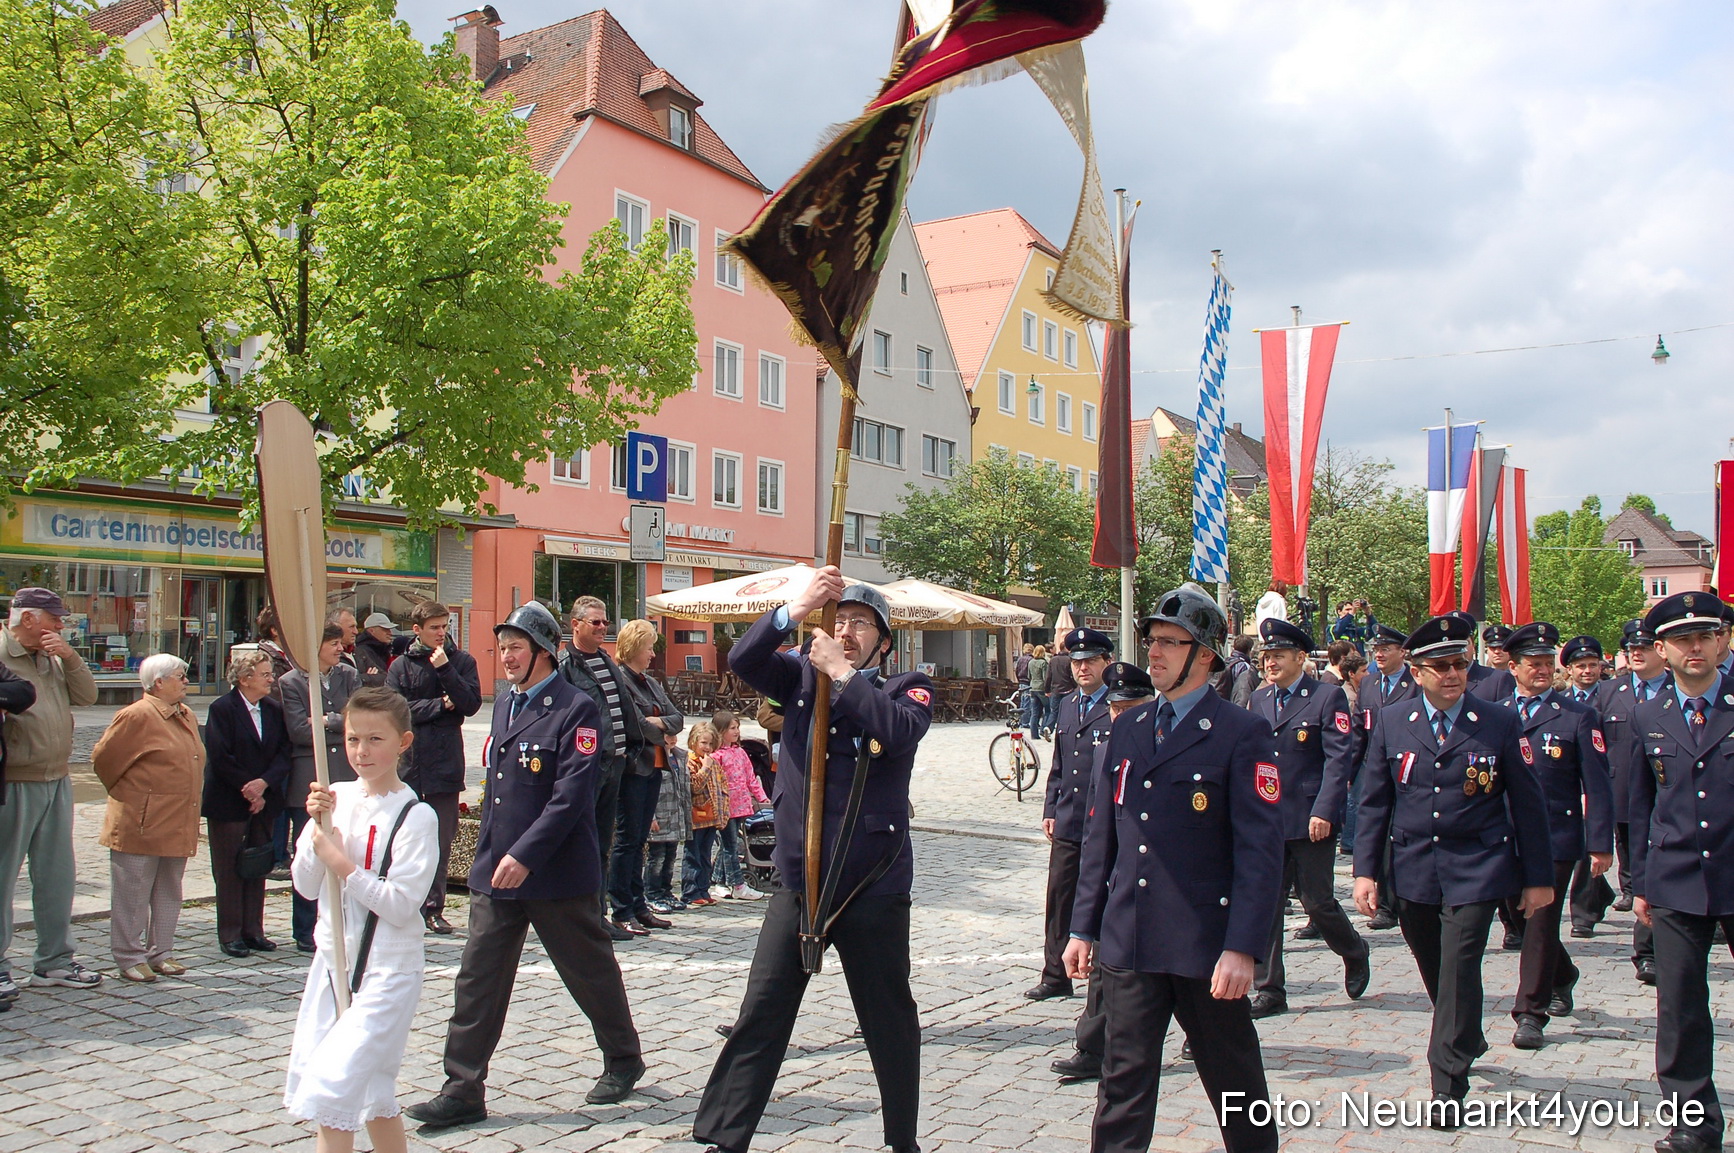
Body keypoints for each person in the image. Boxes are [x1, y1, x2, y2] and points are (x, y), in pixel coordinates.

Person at [693, 569, 932, 1153]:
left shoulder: (906, 687)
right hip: (801, 874)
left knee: (887, 1019)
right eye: (840, 621)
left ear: (884, 641)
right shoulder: (799, 676)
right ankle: (724, 1137)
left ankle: (903, 1140)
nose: (847, 631)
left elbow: (897, 733)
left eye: (861, 625)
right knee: (763, 1009)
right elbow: (745, 658)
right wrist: (797, 608)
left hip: (869, 878)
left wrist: (842, 673)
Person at [1064, 583, 1284, 1153]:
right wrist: (1083, 925)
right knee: (1122, 1083)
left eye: (1169, 641)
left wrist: (1243, 948)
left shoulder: (1241, 732)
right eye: (1151, 640)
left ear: (1205, 655)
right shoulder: (1130, 727)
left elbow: (1260, 853)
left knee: (1233, 1079)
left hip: (1204, 944)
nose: (1153, 653)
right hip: (1131, 938)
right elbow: (1103, 837)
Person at [406, 602, 643, 1129]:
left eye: (517, 647)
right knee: (478, 978)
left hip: (555, 872)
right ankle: (462, 1086)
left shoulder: (576, 709)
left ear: (544, 651)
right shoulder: (506, 705)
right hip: (498, 871)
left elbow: (570, 796)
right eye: (503, 647)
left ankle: (623, 1056)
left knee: (588, 970)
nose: (507, 657)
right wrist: (491, 856)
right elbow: (499, 788)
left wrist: (525, 855)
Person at [1352, 613, 1553, 1122]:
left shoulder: (1499, 722)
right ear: (1416, 672)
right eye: (1439, 666)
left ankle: (1447, 1078)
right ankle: (1465, 1032)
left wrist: (1538, 879)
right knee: (1435, 966)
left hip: (1478, 864)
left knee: (1461, 963)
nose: (1451, 674)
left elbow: (1528, 806)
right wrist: (1365, 872)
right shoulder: (1394, 722)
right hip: (1414, 865)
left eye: (1459, 664)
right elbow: (1375, 801)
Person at [285, 686, 437, 1150]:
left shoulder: (416, 815)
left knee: (335, 1085)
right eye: (353, 739)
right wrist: (320, 829)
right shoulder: (336, 797)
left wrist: (342, 863)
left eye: (375, 739)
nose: (361, 751)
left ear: (403, 743)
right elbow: (306, 886)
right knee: (372, 1091)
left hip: (387, 971)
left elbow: (399, 905)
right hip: (332, 965)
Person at [1630, 591, 1734, 1153]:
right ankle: (1693, 1122)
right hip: (1675, 877)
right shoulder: (1649, 714)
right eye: (1680, 640)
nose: (1694, 648)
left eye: (1704, 636)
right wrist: (1640, 884)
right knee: (1681, 1005)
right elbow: (1639, 805)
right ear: (1662, 650)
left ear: (1721, 640)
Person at [1493, 622, 1614, 1051]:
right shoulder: (1497, 712)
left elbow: (1597, 783)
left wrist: (1600, 843)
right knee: (1519, 919)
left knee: (1541, 919)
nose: (1542, 671)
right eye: (1534, 664)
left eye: (1548, 664)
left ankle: (1530, 1013)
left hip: (1555, 835)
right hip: (1504, 836)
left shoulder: (1578, 716)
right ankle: (1562, 973)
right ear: (1514, 667)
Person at [1250, 618, 1370, 1018]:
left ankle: (1353, 949)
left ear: (1300, 658)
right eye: (1267, 657)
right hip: (1268, 819)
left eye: (1278, 656)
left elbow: (1339, 759)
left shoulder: (1325, 698)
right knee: (1266, 903)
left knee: (1316, 901)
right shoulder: (1260, 700)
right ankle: (1269, 988)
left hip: (1309, 816)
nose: (1270, 663)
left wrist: (1325, 809)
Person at [1051, 660, 1154, 1084]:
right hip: (1120, 878)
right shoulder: (1106, 750)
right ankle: (1092, 1047)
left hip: (1167, 883)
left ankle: (1197, 1032)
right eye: (1113, 710)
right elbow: (1098, 830)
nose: (1118, 717)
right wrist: (1083, 925)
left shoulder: (1168, 743)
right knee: (1106, 966)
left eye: (1128, 708)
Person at [0, 587, 96, 1001]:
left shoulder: (53, 656)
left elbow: (88, 696)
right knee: (3, 879)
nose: (61, 625)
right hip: (13, 782)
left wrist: (71, 658)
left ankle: (54, 961)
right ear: (27, 620)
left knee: (56, 877)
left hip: (57, 778)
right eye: (54, 618)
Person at [92, 654, 204, 983]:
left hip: (177, 818)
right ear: (158, 682)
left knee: (169, 889)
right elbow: (104, 760)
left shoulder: (184, 714)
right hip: (141, 821)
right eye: (180, 676)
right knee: (134, 891)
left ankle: (161, 951)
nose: (186, 681)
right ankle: (129, 955)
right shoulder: (137, 715)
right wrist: (135, 795)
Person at [384, 602, 482, 936]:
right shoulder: (401, 664)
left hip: (445, 763)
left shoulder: (462, 661)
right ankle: (402, 904)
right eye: (434, 628)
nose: (441, 633)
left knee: (441, 840)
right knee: (405, 839)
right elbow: (397, 710)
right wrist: (440, 704)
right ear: (417, 630)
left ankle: (433, 908)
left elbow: (469, 704)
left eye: (445, 626)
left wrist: (445, 672)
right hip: (409, 764)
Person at [1028, 627, 1114, 1002]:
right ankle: (1054, 974)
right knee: (1059, 898)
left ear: (1106, 664)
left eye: (1091, 661)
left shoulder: (1118, 704)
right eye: (1077, 662)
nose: (1082, 668)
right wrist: (1050, 808)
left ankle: (1106, 977)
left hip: (1103, 820)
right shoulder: (1065, 704)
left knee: (1106, 898)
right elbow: (1059, 765)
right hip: (1068, 817)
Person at [558, 595, 646, 943]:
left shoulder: (606, 661)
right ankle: (578, 916)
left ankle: (599, 914)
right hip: (587, 768)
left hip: (616, 764)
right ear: (575, 624)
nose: (602, 627)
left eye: (605, 621)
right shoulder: (566, 665)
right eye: (595, 622)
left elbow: (622, 710)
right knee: (582, 842)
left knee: (602, 844)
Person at [203, 648, 293, 957]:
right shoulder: (222, 709)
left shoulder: (272, 709)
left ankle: (254, 930)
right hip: (229, 799)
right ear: (244, 679)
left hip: (265, 799)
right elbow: (219, 756)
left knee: (258, 865)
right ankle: (230, 933)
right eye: (265, 674)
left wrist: (264, 784)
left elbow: (283, 752)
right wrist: (247, 787)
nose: (271, 679)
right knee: (229, 868)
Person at [281, 624, 361, 951]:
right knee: (310, 848)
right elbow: (299, 730)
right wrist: (334, 720)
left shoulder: (348, 675)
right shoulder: (290, 681)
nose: (339, 648)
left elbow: (356, 717)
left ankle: (342, 922)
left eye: (340, 643)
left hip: (345, 771)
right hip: (309, 774)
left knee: (345, 845)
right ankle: (304, 929)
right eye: (332, 643)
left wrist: (326, 721)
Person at [1599, 618, 1670, 984]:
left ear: (1661, 651)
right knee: (1636, 862)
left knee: (1660, 871)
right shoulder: (1611, 691)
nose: (1636, 653)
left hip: (1670, 796)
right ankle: (1646, 952)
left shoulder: (1677, 690)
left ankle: (1657, 948)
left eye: (1643, 647)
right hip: (1625, 792)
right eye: (1632, 649)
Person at [610, 620, 685, 933]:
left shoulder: (651, 682)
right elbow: (635, 724)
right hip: (633, 768)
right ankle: (621, 908)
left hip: (655, 767)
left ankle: (639, 905)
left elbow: (678, 718)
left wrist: (662, 725)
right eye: (649, 647)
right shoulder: (620, 679)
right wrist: (661, 731)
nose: (653, 653)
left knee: (640, 840)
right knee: (627, 841)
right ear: (634, 647)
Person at [1353, 622, 1415, 931]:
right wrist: (1350, 772)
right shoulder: (1369, 684)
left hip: (1406, 768)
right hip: (1373, 769)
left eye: (1385, 650)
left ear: (1402, 653)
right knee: (1375, 831)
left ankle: (1395, 903)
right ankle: (1383, 900)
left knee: (1397, 837)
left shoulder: (1414, 683)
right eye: (1376, 650)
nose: (1379, 655)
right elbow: (1359, 731)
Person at [1556, 633, 1618, 938]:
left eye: (1593, 664)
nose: (1587, 671)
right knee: (1581, 847)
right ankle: (1591, 902)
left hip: (1605, 779)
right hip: (1571, 785)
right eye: (1581, 665)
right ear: (1569, 670)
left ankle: (1584, 911)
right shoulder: (1561, 703)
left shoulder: (1612, 697)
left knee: (1593, 846)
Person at [710, 710, 768, 903]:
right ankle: (737, 884)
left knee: (730, 844)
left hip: (741, 805)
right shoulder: (716, 756)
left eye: (737, 728)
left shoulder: (740, 752)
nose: (736, 732)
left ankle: (719, 881)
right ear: (721, 731)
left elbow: (750, 778)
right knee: (731, 845)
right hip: (725, 807)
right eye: (732, 728)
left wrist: (761, 796)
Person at [681, 722, 727, 907]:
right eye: (703, 743)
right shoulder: (690, 761)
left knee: (706, 855)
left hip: (711, 817)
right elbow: (694, 786)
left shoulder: (714, 763)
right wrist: (705, 768)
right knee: (693, 855)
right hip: (695, 818)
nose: (707, 748)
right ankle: (690, 891)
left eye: (710, 744)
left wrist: (723, 813)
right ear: (694, 741)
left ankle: (703, 888)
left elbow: (722, 787)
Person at [646, 731, 691, 914]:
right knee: (657, 859)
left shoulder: (680, 756)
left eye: (674, 735)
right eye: (667, 735)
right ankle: (652, 893)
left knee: (671, 858)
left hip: (676, 817)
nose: (672, 739)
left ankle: (666, 891)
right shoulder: (654, 759)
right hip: (660, 817)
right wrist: (651, 816)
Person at [1211, 633, 1257, 709]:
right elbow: (1242, 690)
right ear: (1249, 650)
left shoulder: (1224, 662)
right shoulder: (1243, 666)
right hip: (1230, 705)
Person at [1045, 636, 1076, 740]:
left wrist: (1047, 690)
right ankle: (1064, 731)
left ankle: (1048, 728)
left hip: (1055, 690)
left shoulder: (1053, 660)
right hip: (1068, 689)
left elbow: (1048, 676)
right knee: (1068, 711)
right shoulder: (1069, 660)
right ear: (1067, 649)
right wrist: (1075, 686)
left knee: (1054, 711)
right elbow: (1072, 675)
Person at [354, 613, 395, 687]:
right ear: (371, 631)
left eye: (389, 629)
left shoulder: (383, 649)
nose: (390, 633)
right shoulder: (362, 651)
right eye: (385, 629)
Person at [1479, 624, 1517, 700]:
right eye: (1493, 648)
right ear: (1487, 650)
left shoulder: (1520, 676)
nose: (1497, 651)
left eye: (1501, 647)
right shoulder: (1480, 678)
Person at [1025, 645, 1051, 736]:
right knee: (1048, 710)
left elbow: (1029, 676)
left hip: (1032, 687)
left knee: (1035, 712)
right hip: (1041, 688)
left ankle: (1034, 734)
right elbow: (1045, 678)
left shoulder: (1031, 662)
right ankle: (1043, 729)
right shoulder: (1043, 663)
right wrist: (1048, 689)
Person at [328, 608, 360, 673]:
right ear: (337, 626)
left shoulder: (360, 652)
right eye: (351, 627)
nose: (356, 632)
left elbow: (382, 676)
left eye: (355, 627)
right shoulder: (330, 655)